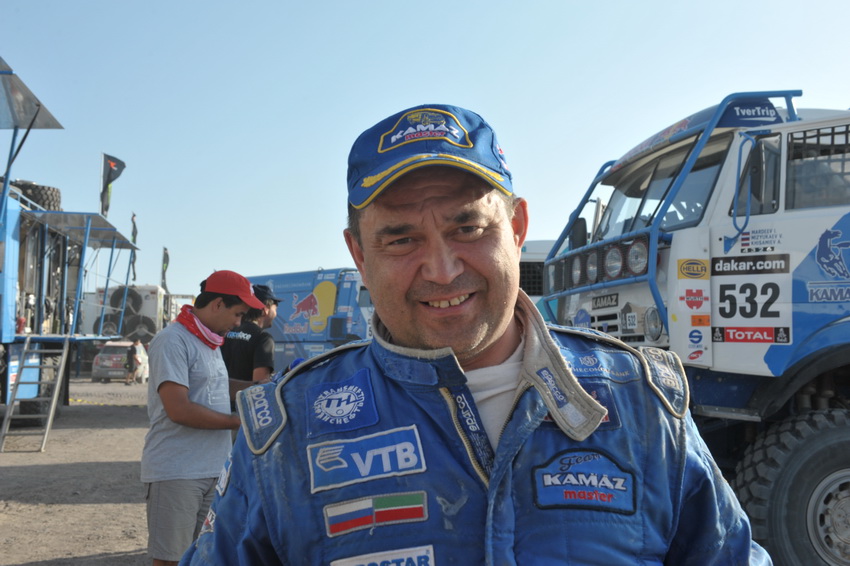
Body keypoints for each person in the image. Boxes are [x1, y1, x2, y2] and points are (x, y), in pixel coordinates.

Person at [181, 105, 772, 565]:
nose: (442, 270)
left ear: (516, 227)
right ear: (359, 255)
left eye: (468, 228)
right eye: (401, 239)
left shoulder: (641, 403)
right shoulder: (288, 431)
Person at [142, 269, 265, 566]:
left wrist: (261, 389)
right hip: (177, 472)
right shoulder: (172, 340)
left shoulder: (208, 341)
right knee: (171, 559)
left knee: (206, 557)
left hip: (212, 471)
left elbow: (216, 385)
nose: (239, 323)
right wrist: (239, 421)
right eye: (238, 314)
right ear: (218, 304)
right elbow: (179, 409)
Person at [220, 284, 281, 404]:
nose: (275, 314)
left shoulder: (225, 331)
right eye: (275, 309)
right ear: (266, 309)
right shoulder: (263, 338)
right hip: (242, 409)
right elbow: (260, 388)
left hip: (218, 404)